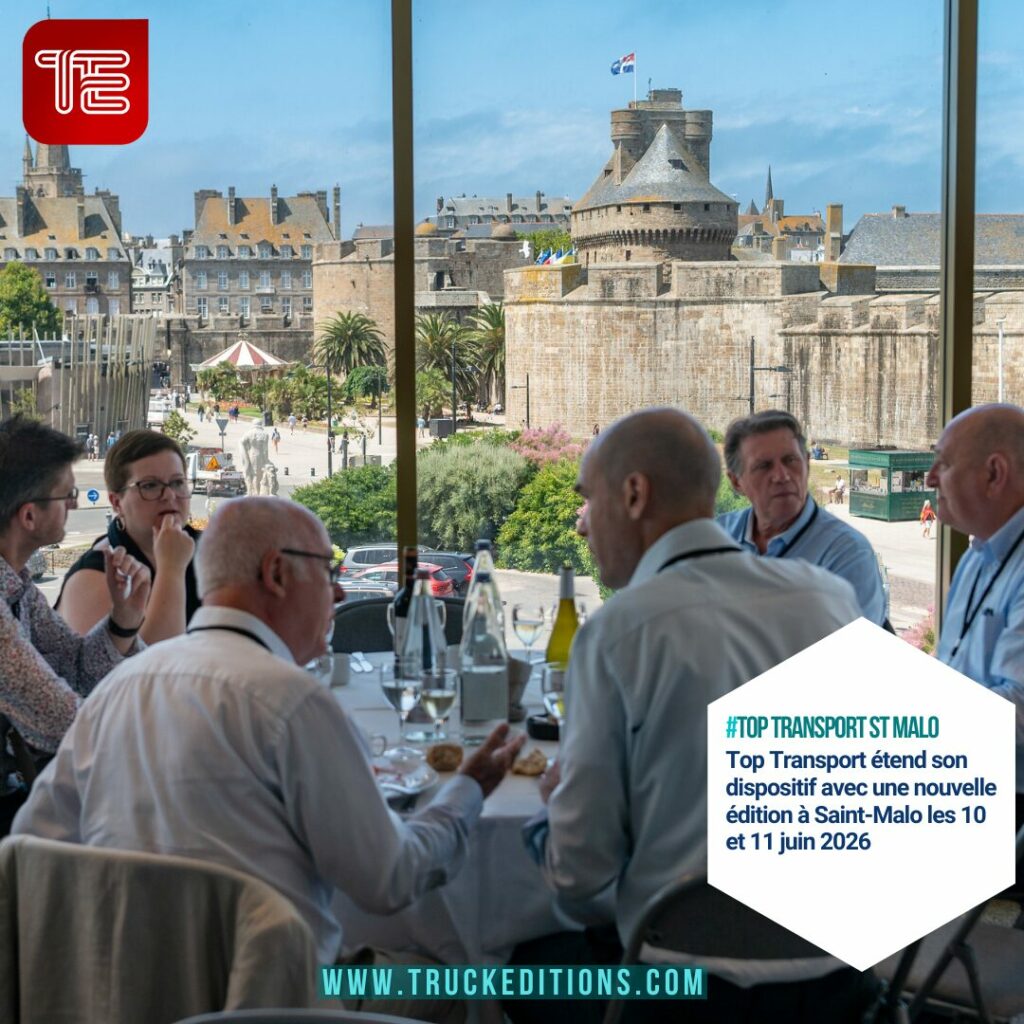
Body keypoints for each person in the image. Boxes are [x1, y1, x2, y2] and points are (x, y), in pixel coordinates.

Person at [14, 496, 523, 1021]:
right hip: (279, 1000)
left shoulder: (120, 688)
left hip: (128, 999)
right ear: (277, 573)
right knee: (470, 983)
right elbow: (389, 880)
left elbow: (32, 847)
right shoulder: (291, 701)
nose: (341, 590)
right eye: (327, 571)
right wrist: (467, 789)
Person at [509, 409, 867, 1024]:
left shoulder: (621, 633)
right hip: (841, 986)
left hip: (682, 998)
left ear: (634, 493)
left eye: (587, 500)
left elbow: (577, 876)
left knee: (519, 971)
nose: (584, 526)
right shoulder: (829, 601)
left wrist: (552, 808)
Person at [0, 417, 150, 830]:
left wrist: (123, 621)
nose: (76, 505)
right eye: (66, 495)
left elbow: (79, 663)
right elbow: (67, 721)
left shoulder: (18, 589)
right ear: (29, 516)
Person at [929, 404, 1024, 816]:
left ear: (993, 474)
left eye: (944, 463)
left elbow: (1017, 708)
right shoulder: (977, 552)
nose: (931, 477)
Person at [718, 410, 886, 625]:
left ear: (807, 463)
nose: (782, 476)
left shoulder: (846, 554)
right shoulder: (719, 536)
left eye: (790, 460)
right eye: (764, 466)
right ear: (736, 482)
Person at [56, 431, 199, 645]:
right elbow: (154, 669)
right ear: (116, 503)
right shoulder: (95, 576)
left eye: (178, 482)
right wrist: (172, 570)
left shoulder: (211, 549)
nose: (169, 495)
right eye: (150, 486)